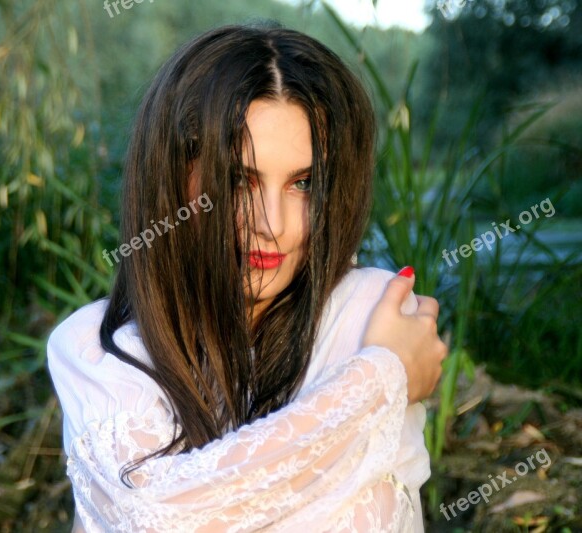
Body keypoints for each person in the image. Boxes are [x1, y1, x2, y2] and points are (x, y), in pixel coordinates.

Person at [47, 22, 447, 532]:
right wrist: (379, 379)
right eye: (238, 180)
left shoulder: (371, 313)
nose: (272, 225)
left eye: (303, 183)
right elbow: (157, 519)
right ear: (172, 180)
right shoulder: (94, 348)